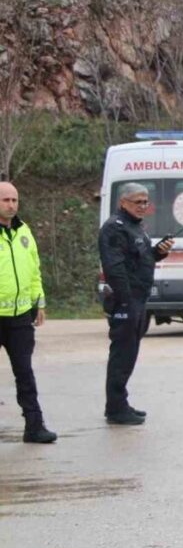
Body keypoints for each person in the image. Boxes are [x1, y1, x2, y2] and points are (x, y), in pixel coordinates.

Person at [98, 183, 174, 425]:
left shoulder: (136, 227)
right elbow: (115, 268)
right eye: (137, 202)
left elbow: (141, 258)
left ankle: (120, 402)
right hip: (126, 301)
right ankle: (115, 408)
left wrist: (158, 252)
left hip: (140, 299)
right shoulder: (114, 228)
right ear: (123, 203)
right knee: (121, 355)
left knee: (130, 354)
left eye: (145, 202)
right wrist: (125, 300)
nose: (143, 206)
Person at [0, 181, 56, 443]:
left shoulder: (24, 231)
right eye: (5, 200)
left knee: (24, 372)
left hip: (21, 317)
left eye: (14, 200)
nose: (11, 204)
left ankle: (34, 426)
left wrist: (39, 302)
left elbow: (34, 270)